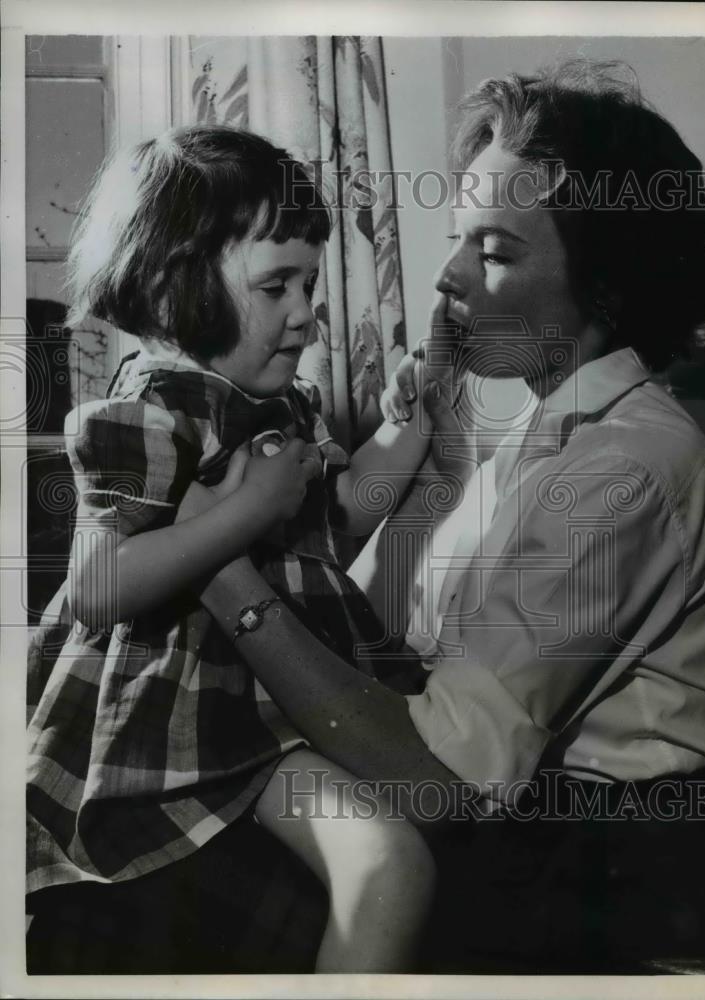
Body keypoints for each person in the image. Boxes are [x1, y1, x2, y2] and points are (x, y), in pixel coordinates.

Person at [177, 61, 705, 972]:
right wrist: (436, 467)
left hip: (622, 869)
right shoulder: (538, 429)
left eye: (492, 252)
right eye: (457, 241)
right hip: (525, 837)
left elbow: (437, 781)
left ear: (605, 285)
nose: (446, 277)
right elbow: (359, 638)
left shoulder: (622, 466)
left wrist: (218, 576)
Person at [26, 124, 436, 974]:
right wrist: (247, 511)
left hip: (284, 706)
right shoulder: (149, 409)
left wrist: (406, 428)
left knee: (393, 864)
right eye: (275, 285)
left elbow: (340, 522)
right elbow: (98, 585)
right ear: (175, 287)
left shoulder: (284, 406)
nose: (304, 313)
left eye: (310, 283)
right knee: (389, 865)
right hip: (183, 728)